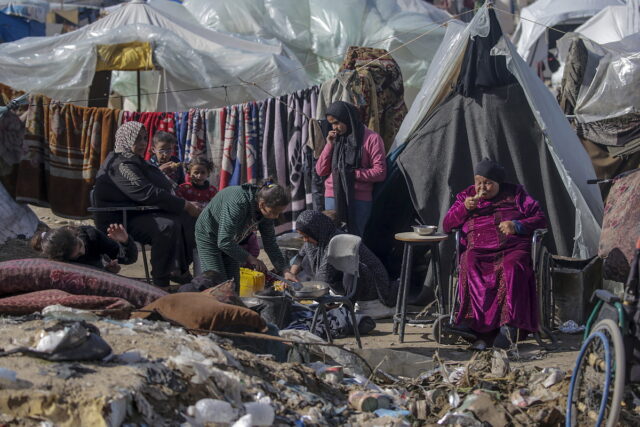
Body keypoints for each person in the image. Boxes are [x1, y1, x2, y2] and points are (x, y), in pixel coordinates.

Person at [443, 159, 547, 349]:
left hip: (512, 248)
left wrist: (517, 225)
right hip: (478, 249)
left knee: (511, 267)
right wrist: (464, 208)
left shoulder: (516, 194)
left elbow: (540, 218)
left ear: (499, 183)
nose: (482, 187)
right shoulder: (466, 196)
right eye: (478, 182)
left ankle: (509, 326)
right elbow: (447, 224)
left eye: (488, 182)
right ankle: (472, 324)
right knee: (468, 261)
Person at [93, 121, 201, 287]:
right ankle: (161, 280)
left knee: (188, 219)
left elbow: (152, 185)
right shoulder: (120, 164)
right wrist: (185, 204)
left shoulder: (134, 159)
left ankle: (178, 269)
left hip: (139, 212)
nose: (143, 143)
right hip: (120, 219)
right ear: (126, 139)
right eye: (137, 139)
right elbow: (147, 193)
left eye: (144, 138)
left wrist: (161, 175)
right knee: (167, 226)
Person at [286, 210, 396, 320]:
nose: (305, 240)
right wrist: (292, 274)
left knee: (350, 268)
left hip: (370, 284)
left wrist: (308, 294)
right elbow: (300, 256)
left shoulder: (337, 240)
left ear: (316, 230)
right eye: (302, 236)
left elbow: (323, 276)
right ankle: (342, 299)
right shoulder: (315, 238)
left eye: (306, 236)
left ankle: (348, 306)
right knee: (306, 261)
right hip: (341, 283)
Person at [195, 179, 291, 286]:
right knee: (217, 282)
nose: (276, 216)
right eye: (274, 212)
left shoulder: (267, 210)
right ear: (262, 204)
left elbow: (270, 243)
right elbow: (224, 242)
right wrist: (251, 258)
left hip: (230, 240)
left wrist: (285, 270)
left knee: (234, 283)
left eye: (279, 213)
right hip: (208, 234)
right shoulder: (239, 203)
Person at [315, 101, 387, 236]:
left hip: (359, 199)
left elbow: (380, 172)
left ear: (347, 118)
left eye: (336, 122)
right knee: (332, 237)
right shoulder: (335, 139)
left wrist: (352, 174)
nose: (334, 127)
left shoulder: (372, 139)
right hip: (333, 195)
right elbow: (320, 170)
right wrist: (329, 145)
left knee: (355, 239)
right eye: (331, 124)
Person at [31, 224, 137, 273]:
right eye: (78, 255)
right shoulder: (54, 260)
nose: (83, 251)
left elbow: (128, 258)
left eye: (81, 245)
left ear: (76, 235)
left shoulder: (91, 236)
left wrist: (126, 242)